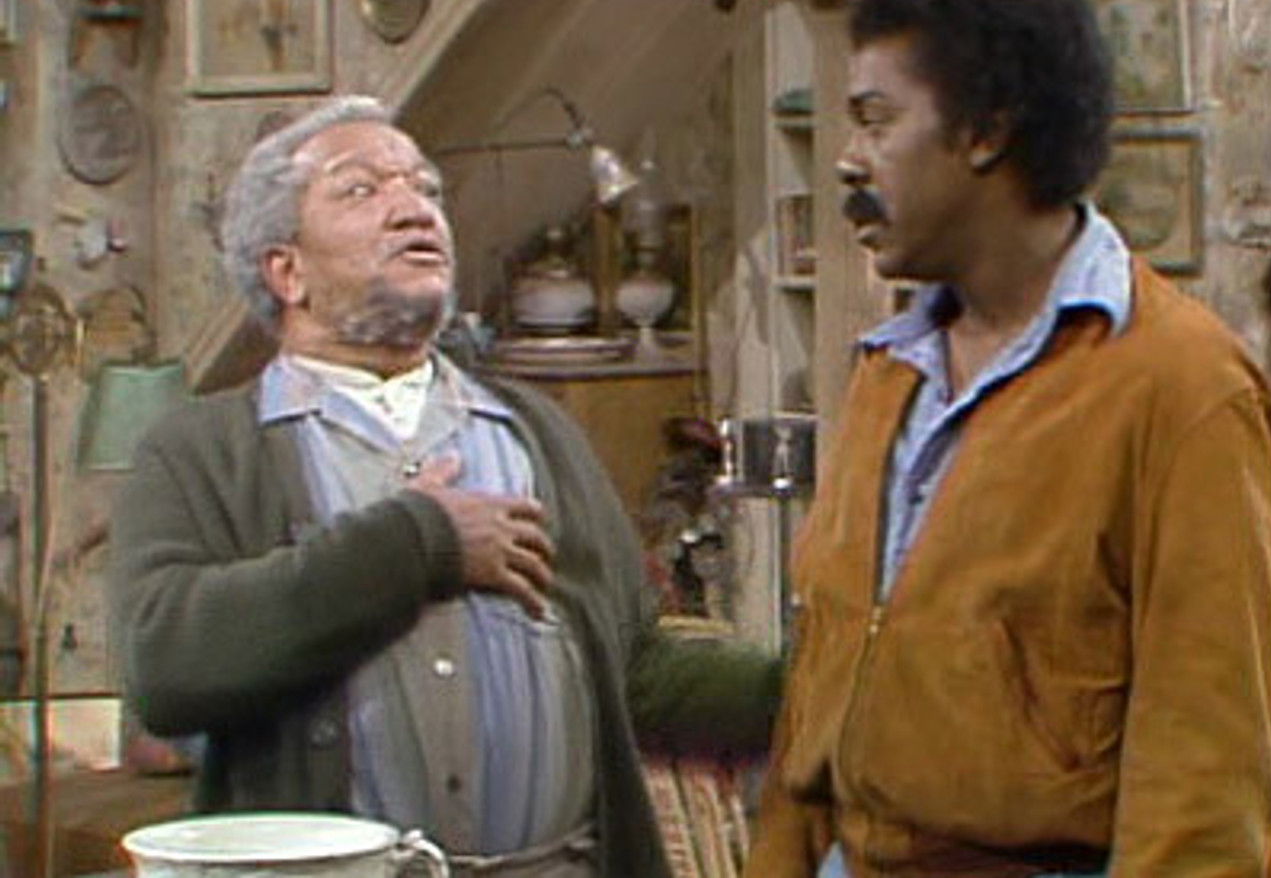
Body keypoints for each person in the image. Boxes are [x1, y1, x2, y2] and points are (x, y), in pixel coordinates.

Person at [110, 96, 781, 878]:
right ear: (286, 271)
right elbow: (165, 668)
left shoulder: (537, 430)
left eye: (424, 187)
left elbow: (635, 670)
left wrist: (813, 690)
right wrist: (416, 544)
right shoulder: (202, 451)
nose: (412, 208)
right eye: (361, 189)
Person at [745, 0, 1271, 878]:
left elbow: (1206, 774)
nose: (847, 159)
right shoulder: (890, 370)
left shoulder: (1180, 387)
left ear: (985, 131)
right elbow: (817, 697)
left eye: (876, 119)